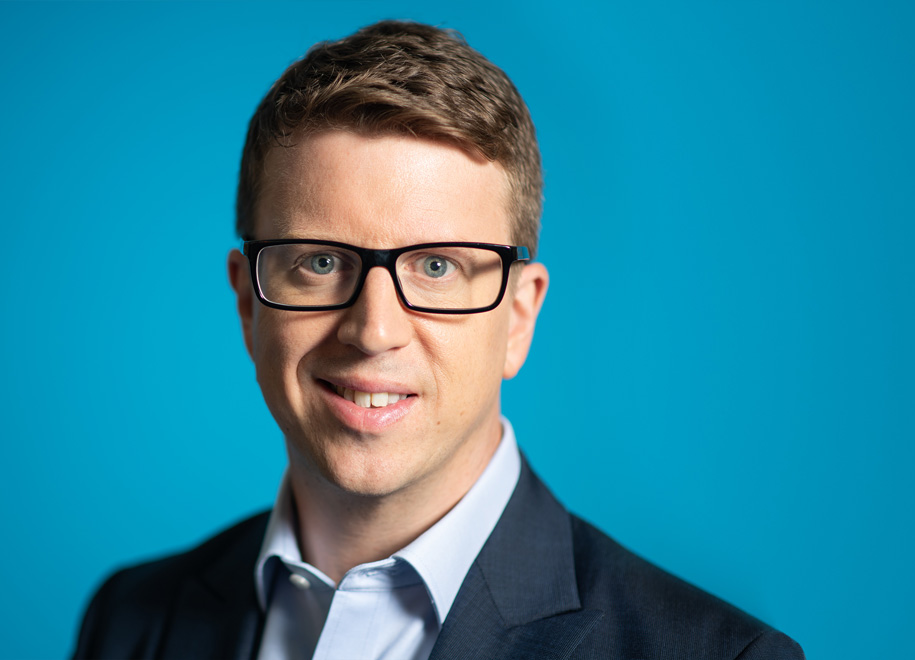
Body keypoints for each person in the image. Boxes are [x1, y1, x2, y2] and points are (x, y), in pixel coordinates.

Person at [72, 20, 803, 660]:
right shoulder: (129, 619)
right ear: (245, 301)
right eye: (321, 262)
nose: (374, 331)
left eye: (437, 266)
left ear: (518, 318)